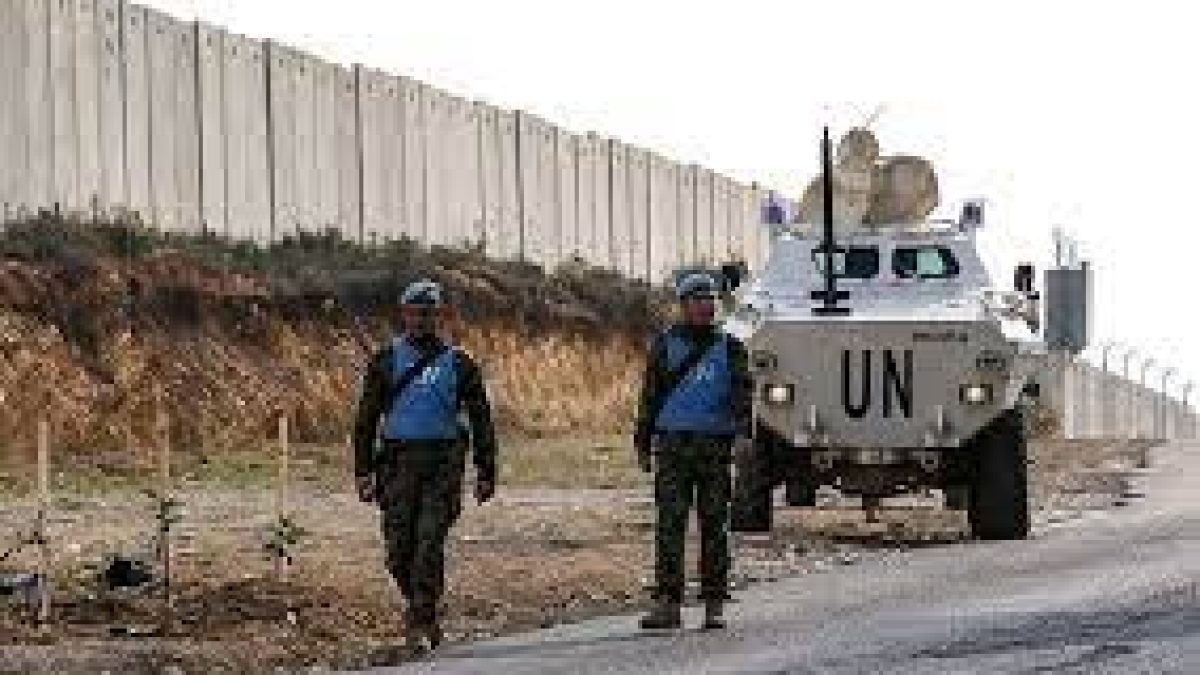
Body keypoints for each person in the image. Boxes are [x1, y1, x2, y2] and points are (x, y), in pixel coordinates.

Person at [352, 279, 498, 651]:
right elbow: (366, 420)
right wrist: (363, 470)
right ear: (404, 315)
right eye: (415, 313)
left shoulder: (460, 363)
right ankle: (422, 607)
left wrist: (486, 469)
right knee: (399, 549)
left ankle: (421, 619)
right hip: (397, 464)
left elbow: (481, 418)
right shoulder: (385, 361)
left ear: (439, 316)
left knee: (429, 541)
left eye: (428, 313)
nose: (421, 320)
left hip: (443, 463)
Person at [633, 271, 753, 630]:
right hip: (672, 446)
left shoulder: (731, 347)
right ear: (683, 305)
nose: (706, 305)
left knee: (714, 525)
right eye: (698, 299)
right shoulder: (666, 345)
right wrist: (642, 441)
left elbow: (743, 395)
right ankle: (668, 604)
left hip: (715, 447)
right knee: (670, 525)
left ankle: (714, 604)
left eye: (711, 299)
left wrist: (744, 432)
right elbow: (650, 395)